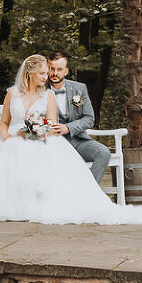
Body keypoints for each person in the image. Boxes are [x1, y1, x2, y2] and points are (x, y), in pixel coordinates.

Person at [0, 53, 142, 225]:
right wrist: (5, 134)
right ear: (29, 72)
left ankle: (83, 195)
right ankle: (27, 204)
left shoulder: (72, 90)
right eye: (44, 72)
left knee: (101, 152)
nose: (48, 75)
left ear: (66, 71)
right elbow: (4, 123)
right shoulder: (13, 93)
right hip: (21, 140)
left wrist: (44, 130)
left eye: (54, 71)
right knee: (19, 150)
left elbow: (81, 119)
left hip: (62, 137)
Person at [47, 51, 110, 185]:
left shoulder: (78, 88)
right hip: (54, 143)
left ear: (66, 71)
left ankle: (89, 192)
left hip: (78, 140)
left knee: (103, 153)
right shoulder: (40, 90)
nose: (55, 73)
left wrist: (68, 128)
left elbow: (89, 118)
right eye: (52, 69)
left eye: (59, 69)